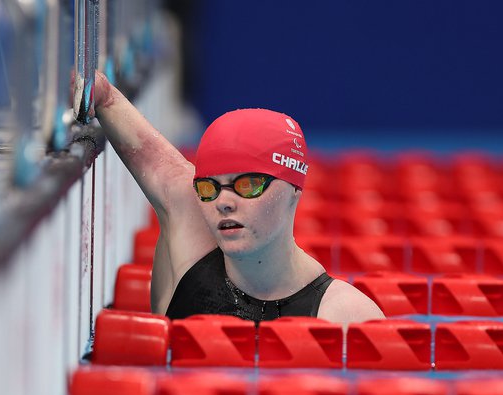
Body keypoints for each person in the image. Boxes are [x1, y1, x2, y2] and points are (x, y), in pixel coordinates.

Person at [92, 71, 384, 323]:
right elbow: (106, 100)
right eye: (209, 188)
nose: (224, 202)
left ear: (294, 187)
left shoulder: (345, 317)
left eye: (248, 185)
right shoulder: (190, 250)